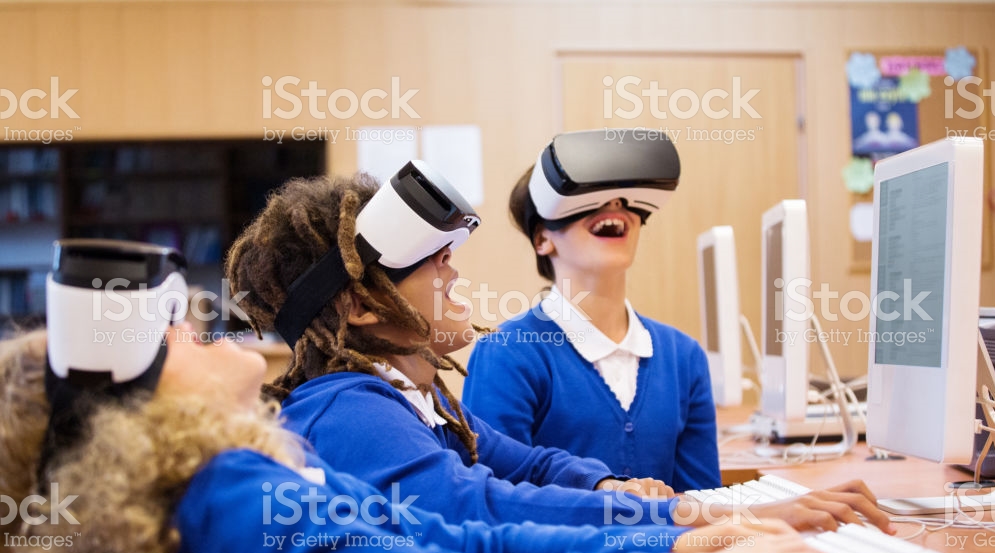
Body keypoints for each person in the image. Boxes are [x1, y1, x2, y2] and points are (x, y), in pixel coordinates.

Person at [0, 239, 841, 553]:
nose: (204, 325)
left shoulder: (231, 484)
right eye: (178, 331)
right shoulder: (233, 499)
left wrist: (670, 539)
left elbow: (460, 543)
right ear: (135, 408)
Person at [229, 160, 893, 534]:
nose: (454, 274)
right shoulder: (347, 410)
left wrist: (615, 485)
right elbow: (481, 505)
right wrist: (680, 519)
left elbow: (527, 464)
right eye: (435, 264)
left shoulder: (415, 402)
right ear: (363, 303)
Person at [463, 130, 892, 531]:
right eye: (590, 200)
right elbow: (502, 509)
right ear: (543, 240)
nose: (614, 207)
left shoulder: (682, 357)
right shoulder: (507, 353)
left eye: (624, 200)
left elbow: (703, 501)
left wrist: (770, 519)